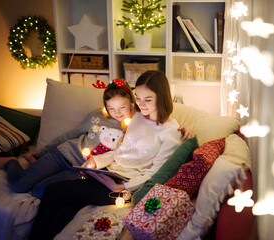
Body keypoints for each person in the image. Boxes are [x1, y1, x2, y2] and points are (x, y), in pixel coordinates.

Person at [28, 70, 184, 240]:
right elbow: (121, 150)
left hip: (124, 186)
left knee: (53, 191)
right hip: (108, 172)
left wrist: (122, 188)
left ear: (162, 97)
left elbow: (155, 174)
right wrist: (95, 161)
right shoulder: (137, 117)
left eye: (148, 99)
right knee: (61, 212)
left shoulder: (171, 133)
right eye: (138, 98)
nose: (141, 104)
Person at [0, 80, 136, 198]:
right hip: (62, 155)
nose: (117, 113)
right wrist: (40, 153)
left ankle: (34, 167)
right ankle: (11, 163)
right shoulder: (97, 116)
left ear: (131, 103)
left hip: (78, 170)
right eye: (111, 108)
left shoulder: (134, 127)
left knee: (39, 192)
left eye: (122, 107)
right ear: (106, 106)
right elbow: (71, 134)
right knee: (18, 186)